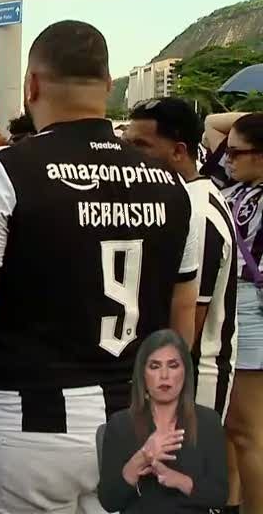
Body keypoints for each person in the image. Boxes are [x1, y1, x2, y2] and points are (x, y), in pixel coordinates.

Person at [0, 20, 201, 514]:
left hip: (20, 427)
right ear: (108, 86)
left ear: (31, 86)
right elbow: (183, 316)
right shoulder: (174, 187)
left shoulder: (5, 171)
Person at [123, 98, 237, 421]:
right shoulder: (184, 199)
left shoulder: (195, 211)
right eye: (127, 143)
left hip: (193, 381)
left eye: (141, 145)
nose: (130, 155)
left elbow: (190, 320)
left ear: (178, 151)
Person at [98, 329, 228, 513]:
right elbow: (109, 501)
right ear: (142, 373)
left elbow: (219, 496)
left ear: (186, 372)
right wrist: (142, 458)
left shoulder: (208, 422)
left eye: (173, 365)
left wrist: (178, 480)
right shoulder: (120, 425)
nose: (164, 376)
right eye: (155, 366)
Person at [220, 112, 263, 513]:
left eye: (236, 152)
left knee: (248, 430)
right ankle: (232, 501)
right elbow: (213, 124)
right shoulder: (239, 190)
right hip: (236, 307)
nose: (227, 159)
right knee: (234, 427)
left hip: (252, 311)